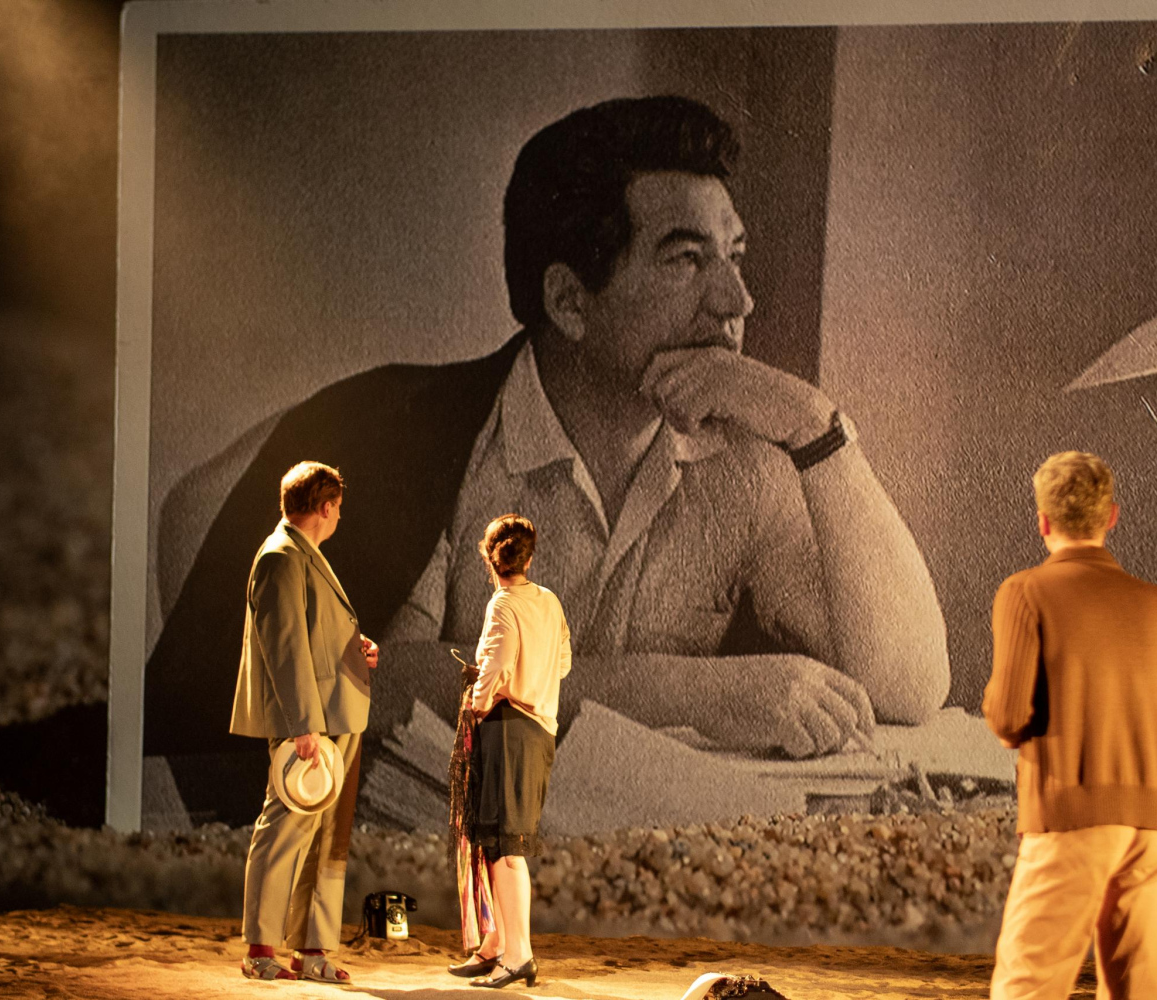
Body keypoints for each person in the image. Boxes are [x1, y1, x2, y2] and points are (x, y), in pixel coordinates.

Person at [145, 95, 950, 826]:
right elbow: (361, 685)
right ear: (569, 301)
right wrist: (684, 690)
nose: (736, 301)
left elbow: (907, 687)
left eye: (733, 256)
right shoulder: (428, 445)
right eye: (685, 260)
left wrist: (816, 427)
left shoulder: (741, 462)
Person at [982, 452, 1157, 1000]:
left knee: (1027, 987)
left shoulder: (1025, 592)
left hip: (1070, 815)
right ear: (1112, 517)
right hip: (1150, 823)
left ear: (1043, 522)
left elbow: (1008, 716)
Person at [232, 462, 379, 982]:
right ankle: (260, 949)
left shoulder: (304, 554)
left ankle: (312, 949)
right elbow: (285, 646)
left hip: (337, 712)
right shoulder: (280, 557)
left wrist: (355, 649)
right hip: (311, 721)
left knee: (327, 838)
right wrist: (302, 725)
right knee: (285, 828)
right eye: (338, 507)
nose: (340, 516)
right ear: (326, 506)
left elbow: (313, 634)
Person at [445, 514, 570, 989]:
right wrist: (534, 678)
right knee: (496, 841)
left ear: (488, 558)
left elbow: (495, 665)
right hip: (537, 729)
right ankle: (497, 943)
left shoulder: (503, 603)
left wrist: (479, 703)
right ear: (528, 558)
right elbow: (563, 661)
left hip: (509, 728)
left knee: (506, 845)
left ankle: (519, 955)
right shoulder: (548, 601)